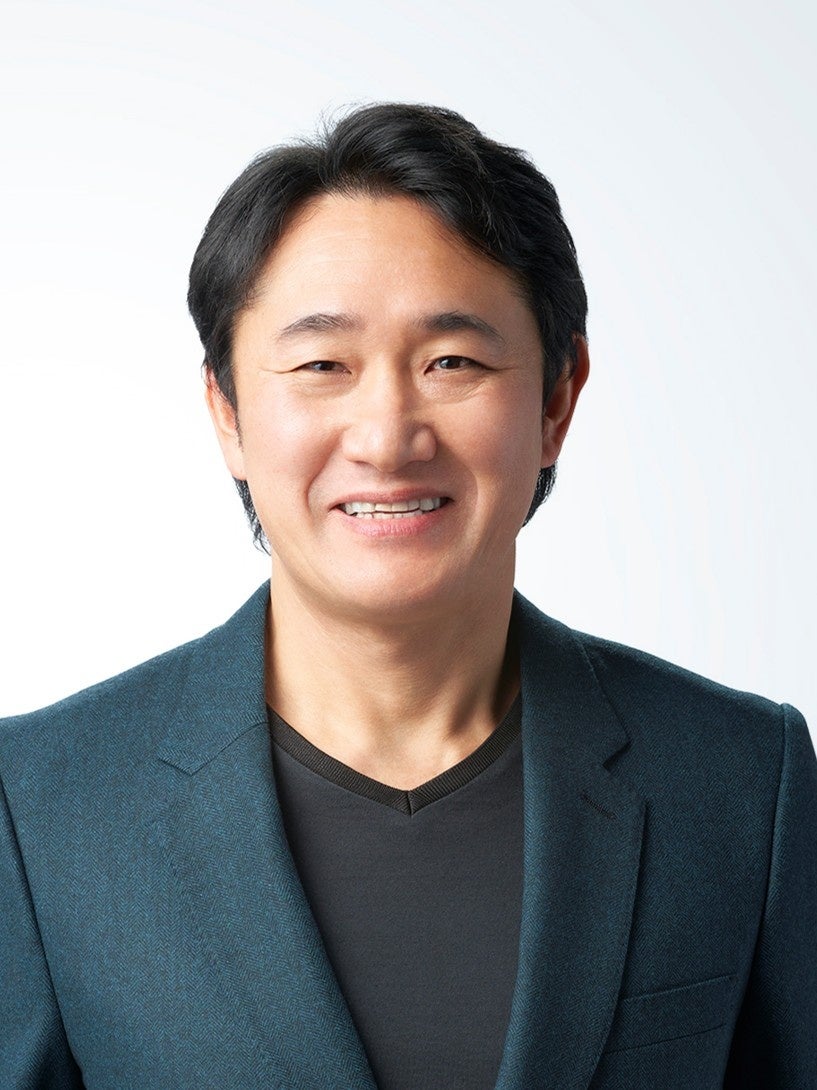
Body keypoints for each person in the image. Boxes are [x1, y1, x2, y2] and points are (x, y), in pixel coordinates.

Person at [1, 103, 815, 1090]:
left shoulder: (742, 779)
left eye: (451, 362)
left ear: (557, 398)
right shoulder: (43, 806)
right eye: (321, 366)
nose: (387, 437)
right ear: (226, 412)